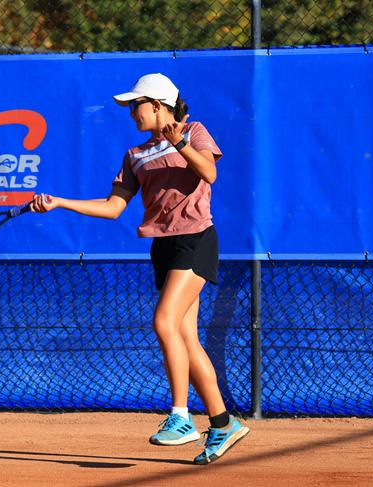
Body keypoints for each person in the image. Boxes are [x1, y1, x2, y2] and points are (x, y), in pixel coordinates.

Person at [31, 73, 249, 465]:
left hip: (196, 240)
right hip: (163, 247)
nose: (132, 112)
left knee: (164, 321)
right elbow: (113, 207)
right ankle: (222, 423)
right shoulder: (135, 155)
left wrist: (177, 139)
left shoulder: (194, 130)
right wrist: (60, 202)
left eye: (137, 105)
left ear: (158, 104)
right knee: (184, 334)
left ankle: (181, 416)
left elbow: (209, 173)